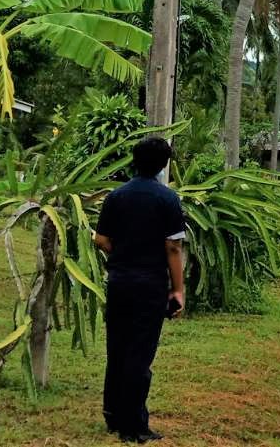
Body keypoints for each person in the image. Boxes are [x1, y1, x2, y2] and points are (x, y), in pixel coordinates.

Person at [94, 136, 187, 443]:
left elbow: (101, 239)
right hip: (150, 285)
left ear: (134, 160)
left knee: (117, 349)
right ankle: (134, 425)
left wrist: (122, 255)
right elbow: (173, 247)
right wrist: (178, 290)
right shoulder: (167, 199)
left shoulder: (116, 196)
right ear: (164, 164)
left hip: (119, 281)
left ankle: (112, 414)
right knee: (140, 353)